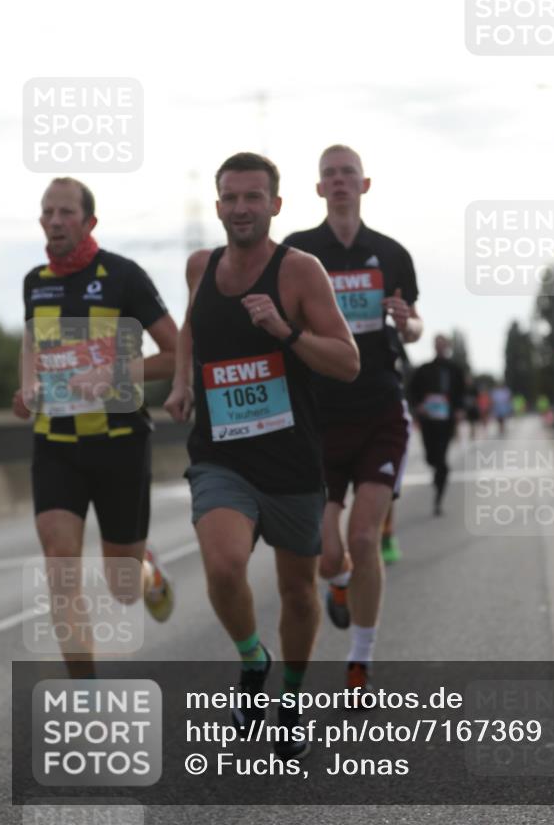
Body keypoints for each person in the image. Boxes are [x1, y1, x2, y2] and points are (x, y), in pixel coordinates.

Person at [164, 152, 359, 760]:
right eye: (230, 198)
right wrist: (181, 382)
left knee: (299, 593)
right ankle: (253, 659)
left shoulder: (301, 272)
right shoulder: (201, 266)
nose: (241, 208)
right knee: (223, 566)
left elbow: (348, 362)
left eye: (253, 197)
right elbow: (191, 331)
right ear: (218, 204)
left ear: (275, 205)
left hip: (291, 460)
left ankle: (293, 695)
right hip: (221, 455)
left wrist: (285, 331)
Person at [12, 177, 178, 679]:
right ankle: (84, 693)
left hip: (120, 445)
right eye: (48, 212)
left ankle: (143, 564)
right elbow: (32, 348)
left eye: (66, 213)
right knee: (60, 568)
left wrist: (115, 373)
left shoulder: (125, 276)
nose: (55, 221)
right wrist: (26, 390)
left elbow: (176, 353)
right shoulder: (34, 281)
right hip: (57, 445)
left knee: (121, 586)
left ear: (89, 221)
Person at [284, 144, 422, 694]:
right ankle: (336, 581)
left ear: (365, 185)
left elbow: (410, 329)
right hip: (315, 418)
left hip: (378, 411)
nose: (339, 182)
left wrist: (407, 322)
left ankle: (360, 659)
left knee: (365, 538)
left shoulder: (391, 254)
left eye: (348, 174)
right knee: (327, 552)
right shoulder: (297, 253)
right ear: (319, 189)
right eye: (329, 175)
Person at [408, 334, 465, 515]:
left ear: (447, 346)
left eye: (443, 344)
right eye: (437, 344)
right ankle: (439, 471)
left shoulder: (455, 370)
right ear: (434, 346)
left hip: (446, 422)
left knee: (441, 459)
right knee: (431, 457)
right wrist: (418, 406)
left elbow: (463, 392)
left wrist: (459, 410)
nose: (440, 347)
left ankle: (439, 496)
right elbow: (411, 391)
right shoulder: (424, 369)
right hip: (428, 421)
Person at [463, 371, 480, 440]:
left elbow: (477, 397)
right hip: (466, 406)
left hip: (473, 406)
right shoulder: (464, 388)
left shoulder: (474, 388)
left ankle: (472, 433)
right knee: (468, 420)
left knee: (472, 420)